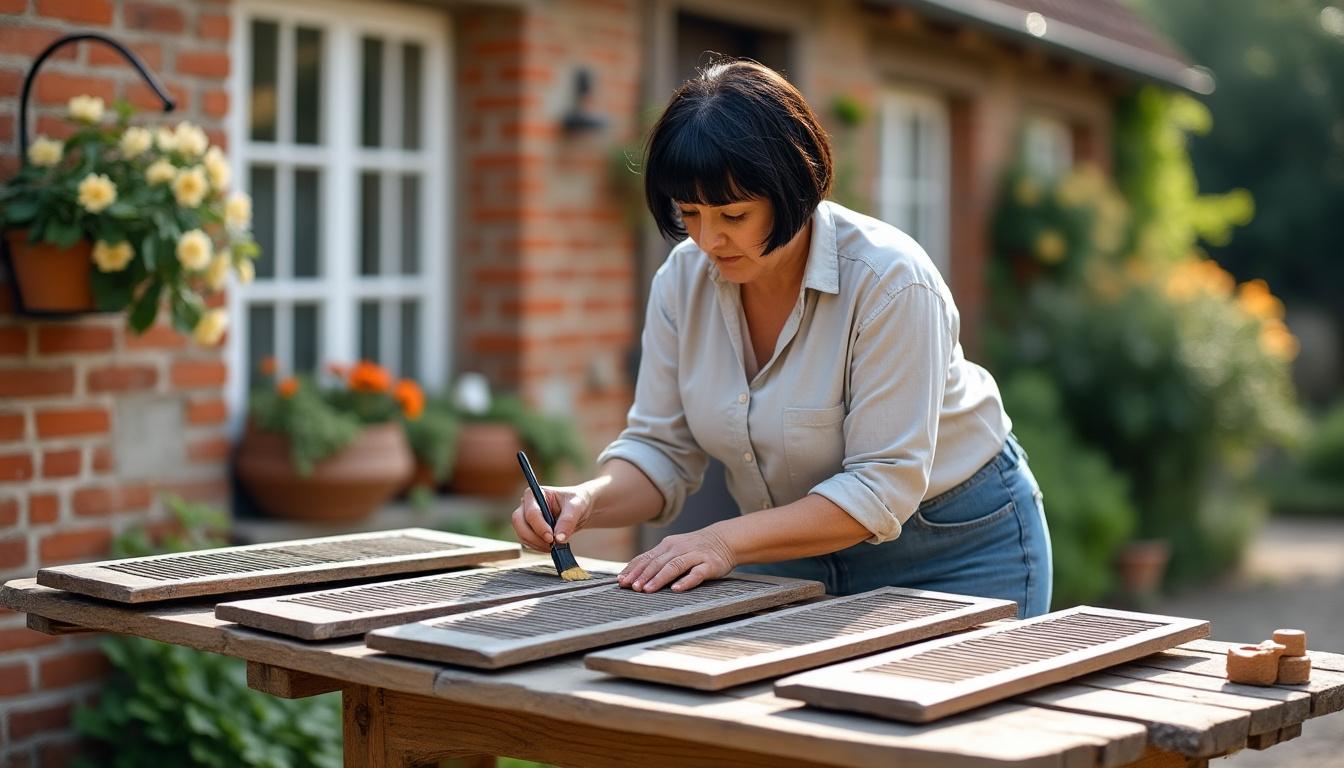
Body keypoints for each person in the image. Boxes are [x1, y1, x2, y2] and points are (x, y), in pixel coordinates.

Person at [510, 59, 1053, 617]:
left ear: (794, 187)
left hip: (953, 546)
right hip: (786, 549)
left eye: (734, 214)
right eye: (689, 212)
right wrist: (584, 501)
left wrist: (722, 541)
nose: (708, 239)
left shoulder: (891, 282)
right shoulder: (681, 281)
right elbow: (660, 451)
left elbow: (880, 487)